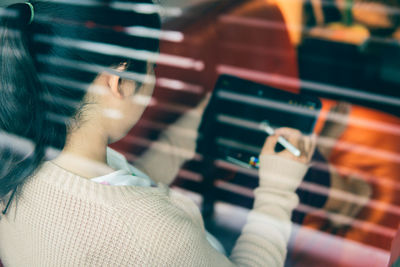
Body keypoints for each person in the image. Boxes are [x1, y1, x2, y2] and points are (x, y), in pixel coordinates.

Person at [0, 1, 315, 266]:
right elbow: (136, 224)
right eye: (153, 68)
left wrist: (196, 124)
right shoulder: (153, 234)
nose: (152, 80)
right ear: (119, 81)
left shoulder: (15, 166)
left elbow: (120, 190)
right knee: (315, 174)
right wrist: (278, 190)